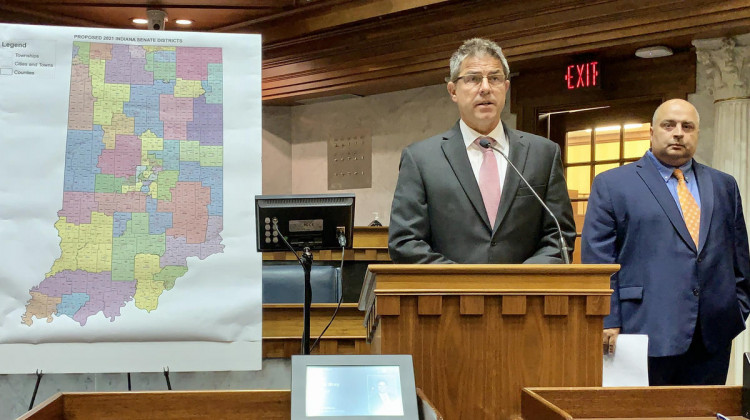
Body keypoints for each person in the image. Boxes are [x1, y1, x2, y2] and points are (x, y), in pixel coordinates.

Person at [581, 99, 750, 385]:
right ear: (651, 131)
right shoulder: (613, 184)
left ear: (697, 133)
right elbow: (599, 258)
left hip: (712, 334)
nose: (678, 133)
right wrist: (606, 318)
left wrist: (737, 308)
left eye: (688, 126)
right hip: (641, 330)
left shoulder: (724, 184)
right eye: (668, 125)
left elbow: (738, 256)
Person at [388, 38, 575, 264]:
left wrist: (519, 282)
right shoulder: (421, 159)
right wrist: (468, 284)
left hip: (525, 295)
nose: (485, 88)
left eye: (494, 78)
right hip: (449, 296)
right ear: (453, 90)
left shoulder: (543, 154)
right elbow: (405, 242)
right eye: (473, 79)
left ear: (505, 87)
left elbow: (559, 236)